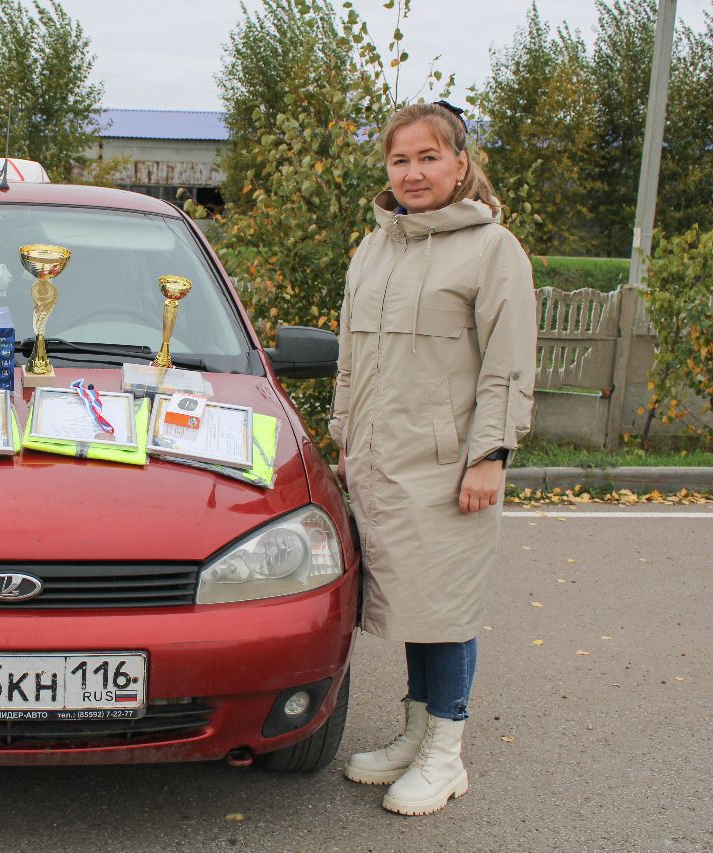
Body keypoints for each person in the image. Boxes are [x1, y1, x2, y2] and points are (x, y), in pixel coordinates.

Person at [328, 100, 537, 816]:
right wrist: (346, 436)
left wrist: (492, 455)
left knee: (444, 607)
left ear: (460, 163)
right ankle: (415, 732)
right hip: (383, 461)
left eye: (428, 157)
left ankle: (446, 752)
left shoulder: (492, 249)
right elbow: (351, 357)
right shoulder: (374, 246)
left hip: (451, 468)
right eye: (399, 159)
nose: (413, 172)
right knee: (409, 604)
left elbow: (508, 364)